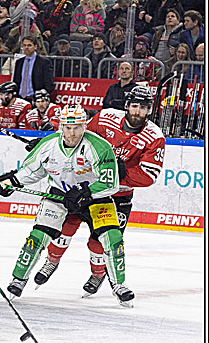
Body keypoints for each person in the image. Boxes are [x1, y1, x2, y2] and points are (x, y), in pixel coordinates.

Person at [0, 105, 132, 305]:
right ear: (60, 127)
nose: (72, 133)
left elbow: (110, 184)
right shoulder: (48, 145)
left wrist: (86, 192)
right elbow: (31, 172)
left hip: (95, 197)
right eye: (68, 127)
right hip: (60, 196)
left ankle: (119, 285)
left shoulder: (100, 146)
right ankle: (18, 279)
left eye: (77, 127)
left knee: (113, 237)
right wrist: (11, 182)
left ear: (85, 126)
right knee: (38, 236)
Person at [38, 86, 164, 298]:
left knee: (98, 242)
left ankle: (97, 274)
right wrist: (51, 143)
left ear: (149, 110)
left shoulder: (154, 136)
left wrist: (115, 174)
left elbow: (148, 176)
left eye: (143, 108)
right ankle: (51, 262)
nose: (137, 112)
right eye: (134, 106)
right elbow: (78, 137)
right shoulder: (105, 117)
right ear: (126, 105)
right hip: (88, 189)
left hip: (118, 196)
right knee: (64, 228)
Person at [12, 34, 54, 99]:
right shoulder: (19, 62)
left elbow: (48, 83)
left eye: (29, 45)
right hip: (19, 98)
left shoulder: (44, 62)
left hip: (35, 99)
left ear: (35, 47)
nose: (26, 47)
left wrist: (41, 97)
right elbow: (16, 81)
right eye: (24, 45)